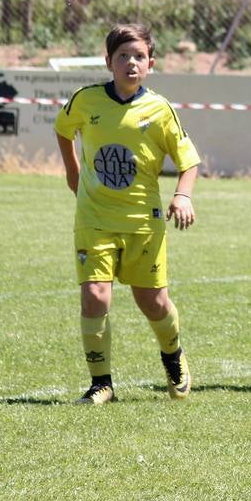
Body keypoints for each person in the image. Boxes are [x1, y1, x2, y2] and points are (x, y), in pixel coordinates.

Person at [54, 23, 200, 405]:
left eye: (138, 57)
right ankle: (101, 383)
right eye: (123, 57)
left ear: (150, 64)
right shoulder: (85, 101)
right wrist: (74, 174)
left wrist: (183, 196)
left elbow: (188, 160)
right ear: (108, 62)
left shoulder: (161, 109)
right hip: (94, 217)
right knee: (95, 297)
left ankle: (173, 355)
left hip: (142, 222)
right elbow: (63, 129)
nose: (131, 63)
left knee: (152, 302)